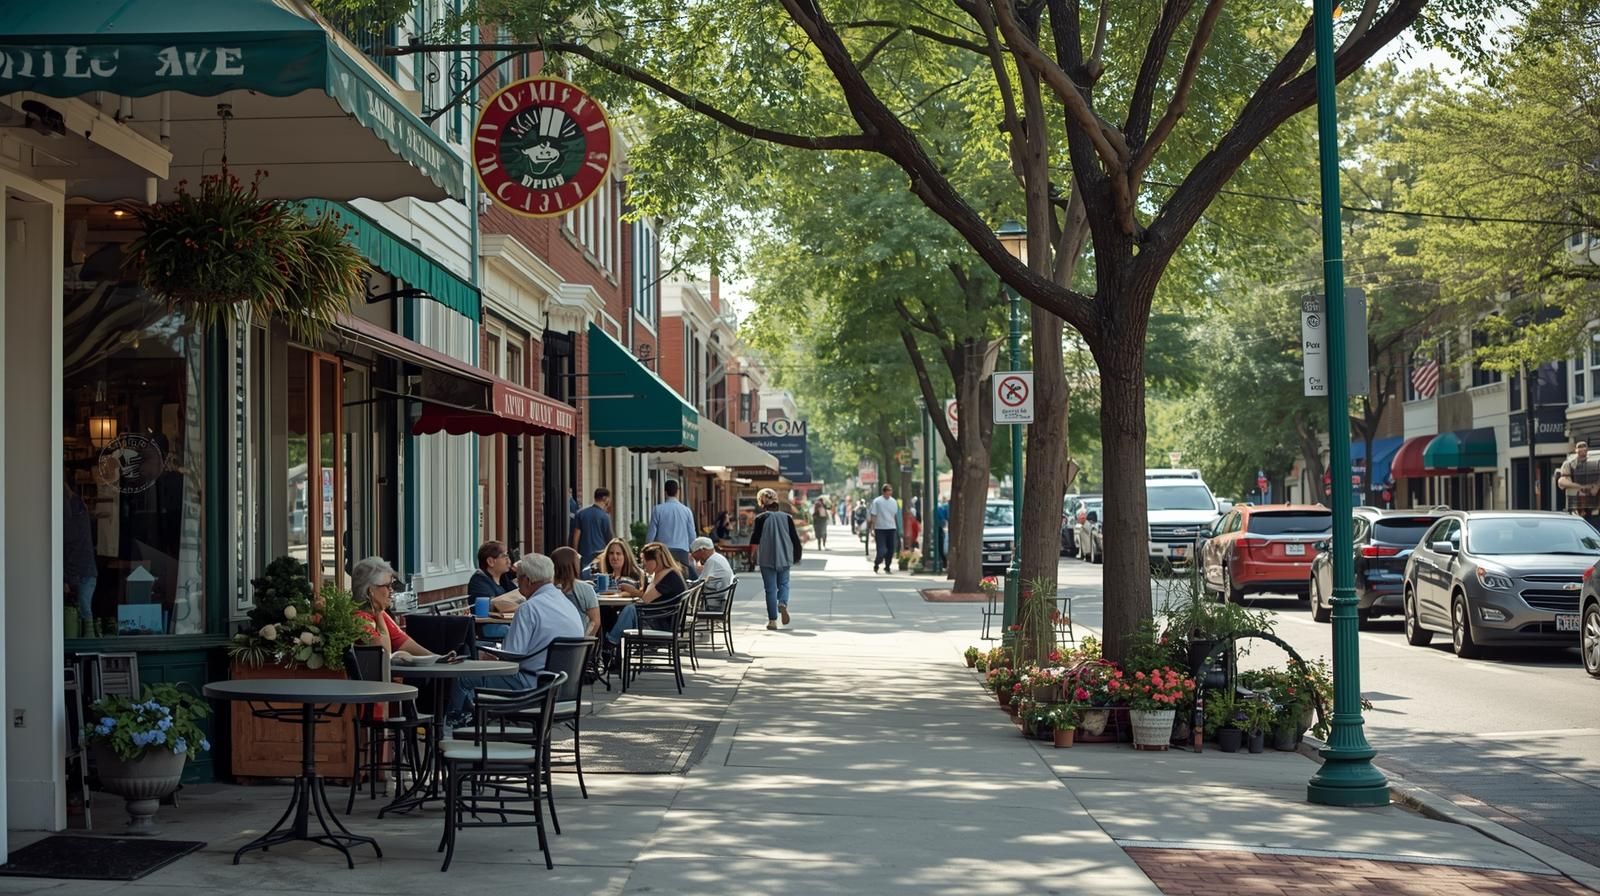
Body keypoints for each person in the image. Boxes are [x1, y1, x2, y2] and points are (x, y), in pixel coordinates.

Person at [450, 553, 584, 720]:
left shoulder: (529, 608)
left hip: (530, 685)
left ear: (527, 580)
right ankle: (476, 718)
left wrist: (485, 656)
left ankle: (453, 724)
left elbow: (510, 658)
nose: (516, 583)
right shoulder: (567, 604)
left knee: (462, 676)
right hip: (563, 686)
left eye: (518, 579)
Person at [351, 556, 442, 660]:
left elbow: (402, 641)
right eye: (387, 586)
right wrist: (379, 614)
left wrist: (438, 658)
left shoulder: (377, 613)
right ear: (371, 591)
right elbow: (383, 653)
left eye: (392, 585)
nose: (392, 590)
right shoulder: (359, 618)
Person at [606, 542, 688, 648]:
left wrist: (632, 591)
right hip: (662, 620)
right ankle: (613, 647)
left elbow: (645, 599)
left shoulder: (668, 577)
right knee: (625, 611)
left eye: (644, 561)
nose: (643, 565)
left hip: (662, 626)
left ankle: (610, 644)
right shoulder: (667, 573)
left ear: (655, 561)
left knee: (631, 609)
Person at [749, 488, 802, 630]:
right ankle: (783, 603)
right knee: (784, 584)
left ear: (761, 502)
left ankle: (772, 620)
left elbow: (755, 540)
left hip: (766, 558)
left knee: (770, 589)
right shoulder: (787, 518)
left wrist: (752, 555)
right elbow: (794, 538)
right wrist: (797, 555)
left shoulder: (760, 518)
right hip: (784, 556)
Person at [646, 479, 698, 575]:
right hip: (682, 551)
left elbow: (651, 533)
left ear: (665, 492)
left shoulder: (658, 510)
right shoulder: (686, 511)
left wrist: (647, 549)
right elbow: (692, 534)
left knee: (664, 576)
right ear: (678, 492)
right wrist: (693, 550)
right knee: (682, 578)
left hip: (664, 552)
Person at [64, 483, 98, 632]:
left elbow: (67, 545)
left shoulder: (71, 519)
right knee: (83, 609)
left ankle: (85, 639)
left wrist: (64, 579)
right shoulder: (81, 511)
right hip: (85, 572)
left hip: (80, 572)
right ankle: (87, 638)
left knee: (81, 609)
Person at [551, 546, 601, 637]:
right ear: (572, 565)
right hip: (579, 642)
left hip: (551, 642)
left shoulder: (547, 589)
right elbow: (595, 621)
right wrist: (585, 642)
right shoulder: (586, 589)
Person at [1558, 440, 1600, 527]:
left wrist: (1596, 487)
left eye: (1584, 447)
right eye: (1580, 447)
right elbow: (1561, 481)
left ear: (1587, 449)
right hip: (1575, 510)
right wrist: (1580, 486)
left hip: (1595, 510)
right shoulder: (1569, 464)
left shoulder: (1596, 463)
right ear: (1575, 450)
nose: (1582, 449)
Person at [570, 488, 614, 569]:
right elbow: (609, 538)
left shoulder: (581, 513)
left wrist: (575, 554)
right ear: (605, 498)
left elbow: (576, 536)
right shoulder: (605, 517)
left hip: (584, 555)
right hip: (600, 556)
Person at [869, 485, 900, 574]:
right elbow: (873, 515)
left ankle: (887, 566)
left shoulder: (893, 501)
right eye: (888, 491)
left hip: (891, 528)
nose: (889, 493)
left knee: (891, 549)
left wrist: (896, 527)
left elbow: (894, 515)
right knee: (882, 549)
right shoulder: (877, 502)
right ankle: (877, 563)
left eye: (890, 491)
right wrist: (872, 528)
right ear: (883, 492)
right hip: (880, 528)